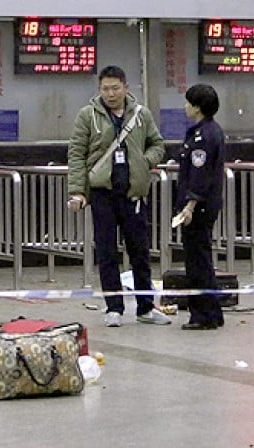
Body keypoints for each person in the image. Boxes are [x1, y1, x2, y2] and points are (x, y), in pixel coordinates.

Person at [67, 65, 172, 327]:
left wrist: (143, 162)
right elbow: (76, 154)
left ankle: (146, 307)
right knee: (106, 252)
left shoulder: (141, 114)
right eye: (105, 89)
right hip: (103, 194)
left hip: (133, 194)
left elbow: (158, 144)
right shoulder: (87, 116)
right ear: (99, 90)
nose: (111, 93)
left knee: (140, 251)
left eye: (115, 88)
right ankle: (114, 307)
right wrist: (78, 191)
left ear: (126, 88)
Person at [173, 83, 226, 331]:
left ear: (197, 107)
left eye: (188, 102)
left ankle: (202, 314)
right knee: (201, 257)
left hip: (199, 207)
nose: (185, 107)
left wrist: (189, 206)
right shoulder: (207, 131)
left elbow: (200, 174)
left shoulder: (203, 136)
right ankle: (212, 311)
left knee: (197, 260)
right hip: (203, 204)